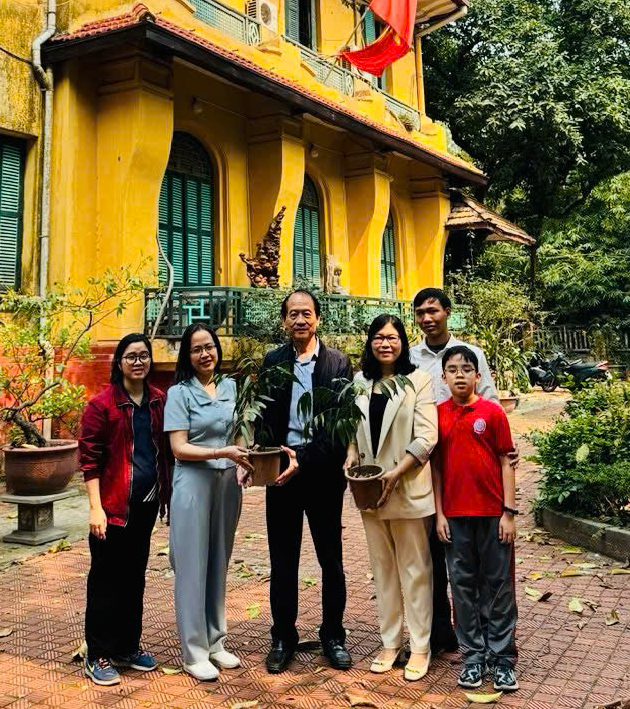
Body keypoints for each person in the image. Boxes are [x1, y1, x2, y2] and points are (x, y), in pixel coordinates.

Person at [258, 288, 354, 674]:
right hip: (281, 474)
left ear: (317, 319)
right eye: (293, 314)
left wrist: (306, 459)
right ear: (284, 320)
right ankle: (283, 636)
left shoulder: (337, 364)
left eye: (307, 313)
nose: (300, 320)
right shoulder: (272, 362)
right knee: (283, 560)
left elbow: (340, 428)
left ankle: (333, 635)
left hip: (322, 475)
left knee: (330, 559)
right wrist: (270, 455)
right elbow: (264, 419)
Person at [408, 286, 507, 653]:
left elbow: (492, 404)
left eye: (433, 310)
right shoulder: (412, 358)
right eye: (420, 312)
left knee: (474, 558)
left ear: (448, 312)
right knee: (432, 553)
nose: (426, 318)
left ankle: (485, 633)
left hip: (466, 468)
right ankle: (440, 631)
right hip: (423, 467)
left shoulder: (470, 355)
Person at [346, 314, 438, 681]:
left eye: (393, 337)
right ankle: (389, 642)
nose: (385, 344)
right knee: (382, 570)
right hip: (369, 489)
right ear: (370, 343)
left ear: (403, 341)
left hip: (407, 487)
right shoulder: (360, 382)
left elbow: (428, 435)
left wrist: (396, 472)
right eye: (379, 338)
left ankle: (420, 647)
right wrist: (351, 456)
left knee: (415, 571)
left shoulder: (419, 381)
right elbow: (351, 430)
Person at [78, 332, 171, 688]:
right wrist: (95, 508)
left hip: (145, 506)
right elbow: (89, 460)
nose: (138, 362)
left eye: (144, 356)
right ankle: (98, 653)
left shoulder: (158, 401)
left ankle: (128, 647)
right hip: (112, 507)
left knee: (134, 577)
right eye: (131, 356)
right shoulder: (102, 405)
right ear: (119, 362)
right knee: (104, 580)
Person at [164, 322, 253, 681]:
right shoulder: (179, 393)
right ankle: (194, 650)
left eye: (210, 347)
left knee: (219, 560)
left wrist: (245, 462)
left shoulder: (232, 387)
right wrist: (222, 451)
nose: (205, 354)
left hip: (227, 484)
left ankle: (216, 641)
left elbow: (244, 430)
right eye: (197, 349)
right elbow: (178, 447)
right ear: (187, 355)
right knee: (192, 565)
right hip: (192, 483)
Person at [433, 344, 519, 693]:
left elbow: (506, 461)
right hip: (454, 517)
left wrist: (509, 513)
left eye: (466, 369)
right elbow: (436, 469)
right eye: (452, 369)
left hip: (492, 515)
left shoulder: (493, 413)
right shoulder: (438, 415)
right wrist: (439, 514)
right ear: (443, 377)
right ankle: (472, 658)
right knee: (463, 588)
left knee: (498, 588)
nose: (460, 375)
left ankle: (502, 660)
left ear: (478, 376)